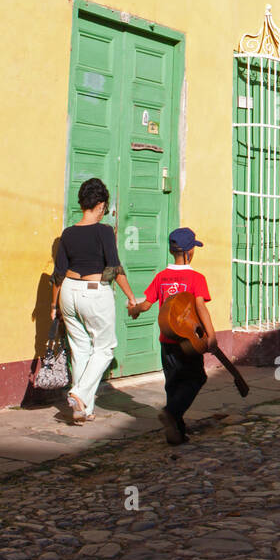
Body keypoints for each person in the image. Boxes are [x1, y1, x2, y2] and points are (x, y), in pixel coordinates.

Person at [51, 178, 137, 424]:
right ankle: (78, 393)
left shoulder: (67, 233)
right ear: (100, 205)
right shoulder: (104, 230)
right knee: (105, 348)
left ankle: (82, 409)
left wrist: (53, 306)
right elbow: (114, 267)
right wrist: (131, 297)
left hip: (68, 291)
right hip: (94, 291)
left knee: (80, 349)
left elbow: (58, 273)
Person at [128, 227, 215, 445]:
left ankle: (176, 433)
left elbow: (147, 304)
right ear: (189, 252)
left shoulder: (161, 277)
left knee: (173, 384)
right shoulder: (196, 278)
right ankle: (171, 413)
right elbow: (200, 307)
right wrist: (211, 335)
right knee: (197, 378)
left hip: (166, 342)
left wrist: (135, 309)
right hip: (188, 343)